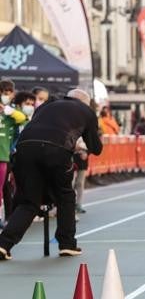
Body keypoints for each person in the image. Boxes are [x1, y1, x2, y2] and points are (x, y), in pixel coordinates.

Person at [0, 89, 102, 260]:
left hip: (25, 148)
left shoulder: (48, 104)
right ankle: (67, 244)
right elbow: (96, 148)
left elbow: (40, 127)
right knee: (65, 196)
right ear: (86, 102)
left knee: (29, 202)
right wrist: (80, 145)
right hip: (56, 150)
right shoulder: (87, 112)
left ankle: (3, 244)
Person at [0, 80, 26, 228]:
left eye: (9, 93)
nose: (6, 96)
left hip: (3, 156)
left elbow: (22, 118)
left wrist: (7, 110)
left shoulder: (11, 112)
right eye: (4, 93)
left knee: (3, 189)